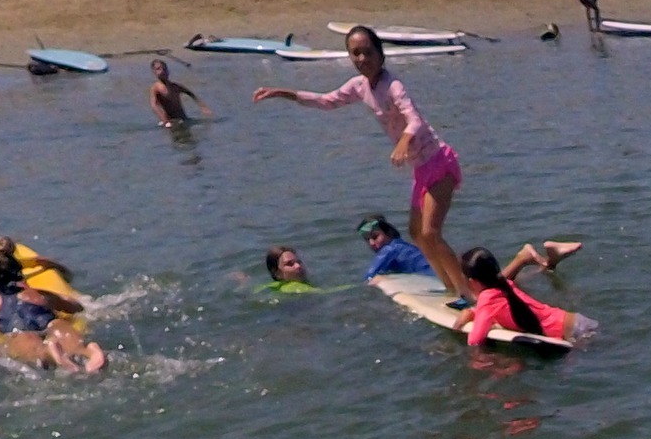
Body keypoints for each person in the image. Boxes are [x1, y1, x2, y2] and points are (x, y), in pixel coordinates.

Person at [254, 26, 472, 301]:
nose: (361, 59)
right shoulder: (359, 86)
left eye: (367, 52)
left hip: (438, 162)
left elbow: (414, 119)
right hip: (420, 169)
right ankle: (450, 286)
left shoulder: (393, 85)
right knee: (417, 234)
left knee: (430, 232)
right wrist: (283, 93)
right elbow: (326, 101)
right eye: (355, 53)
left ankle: (464, 291)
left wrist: (404, 142)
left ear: (380, 55)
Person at [0, 240, 106, 375]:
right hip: (46, 317)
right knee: (62, 330)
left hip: (17, 329)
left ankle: (48, 352)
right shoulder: (36, 295)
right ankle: (88, 352)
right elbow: (74, 307)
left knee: (34, 350)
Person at [454, 245, 596, 348]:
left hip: (574, 333)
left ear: (472, 282)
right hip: (577, 322)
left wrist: (458, 329)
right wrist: (474, 312)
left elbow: (475, 341)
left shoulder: (487, 299)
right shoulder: (507, 285)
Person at [358, 214, 435, 280]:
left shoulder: (390, 249)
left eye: (375, 237)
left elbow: (370, 275)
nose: (371, 243)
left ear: (389, 233)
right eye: (367, 239)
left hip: (431, 276)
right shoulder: (402, 246)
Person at [149, 59, 210, 127]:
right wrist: (164, 120)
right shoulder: (156, 88)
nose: (163, 71)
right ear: (154, 71)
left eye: (164, 69)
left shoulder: (175, 86)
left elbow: (191, 94)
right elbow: (154, 105)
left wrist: (203, 107)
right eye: (158, 69)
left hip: (183, 119)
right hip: (171, 122)